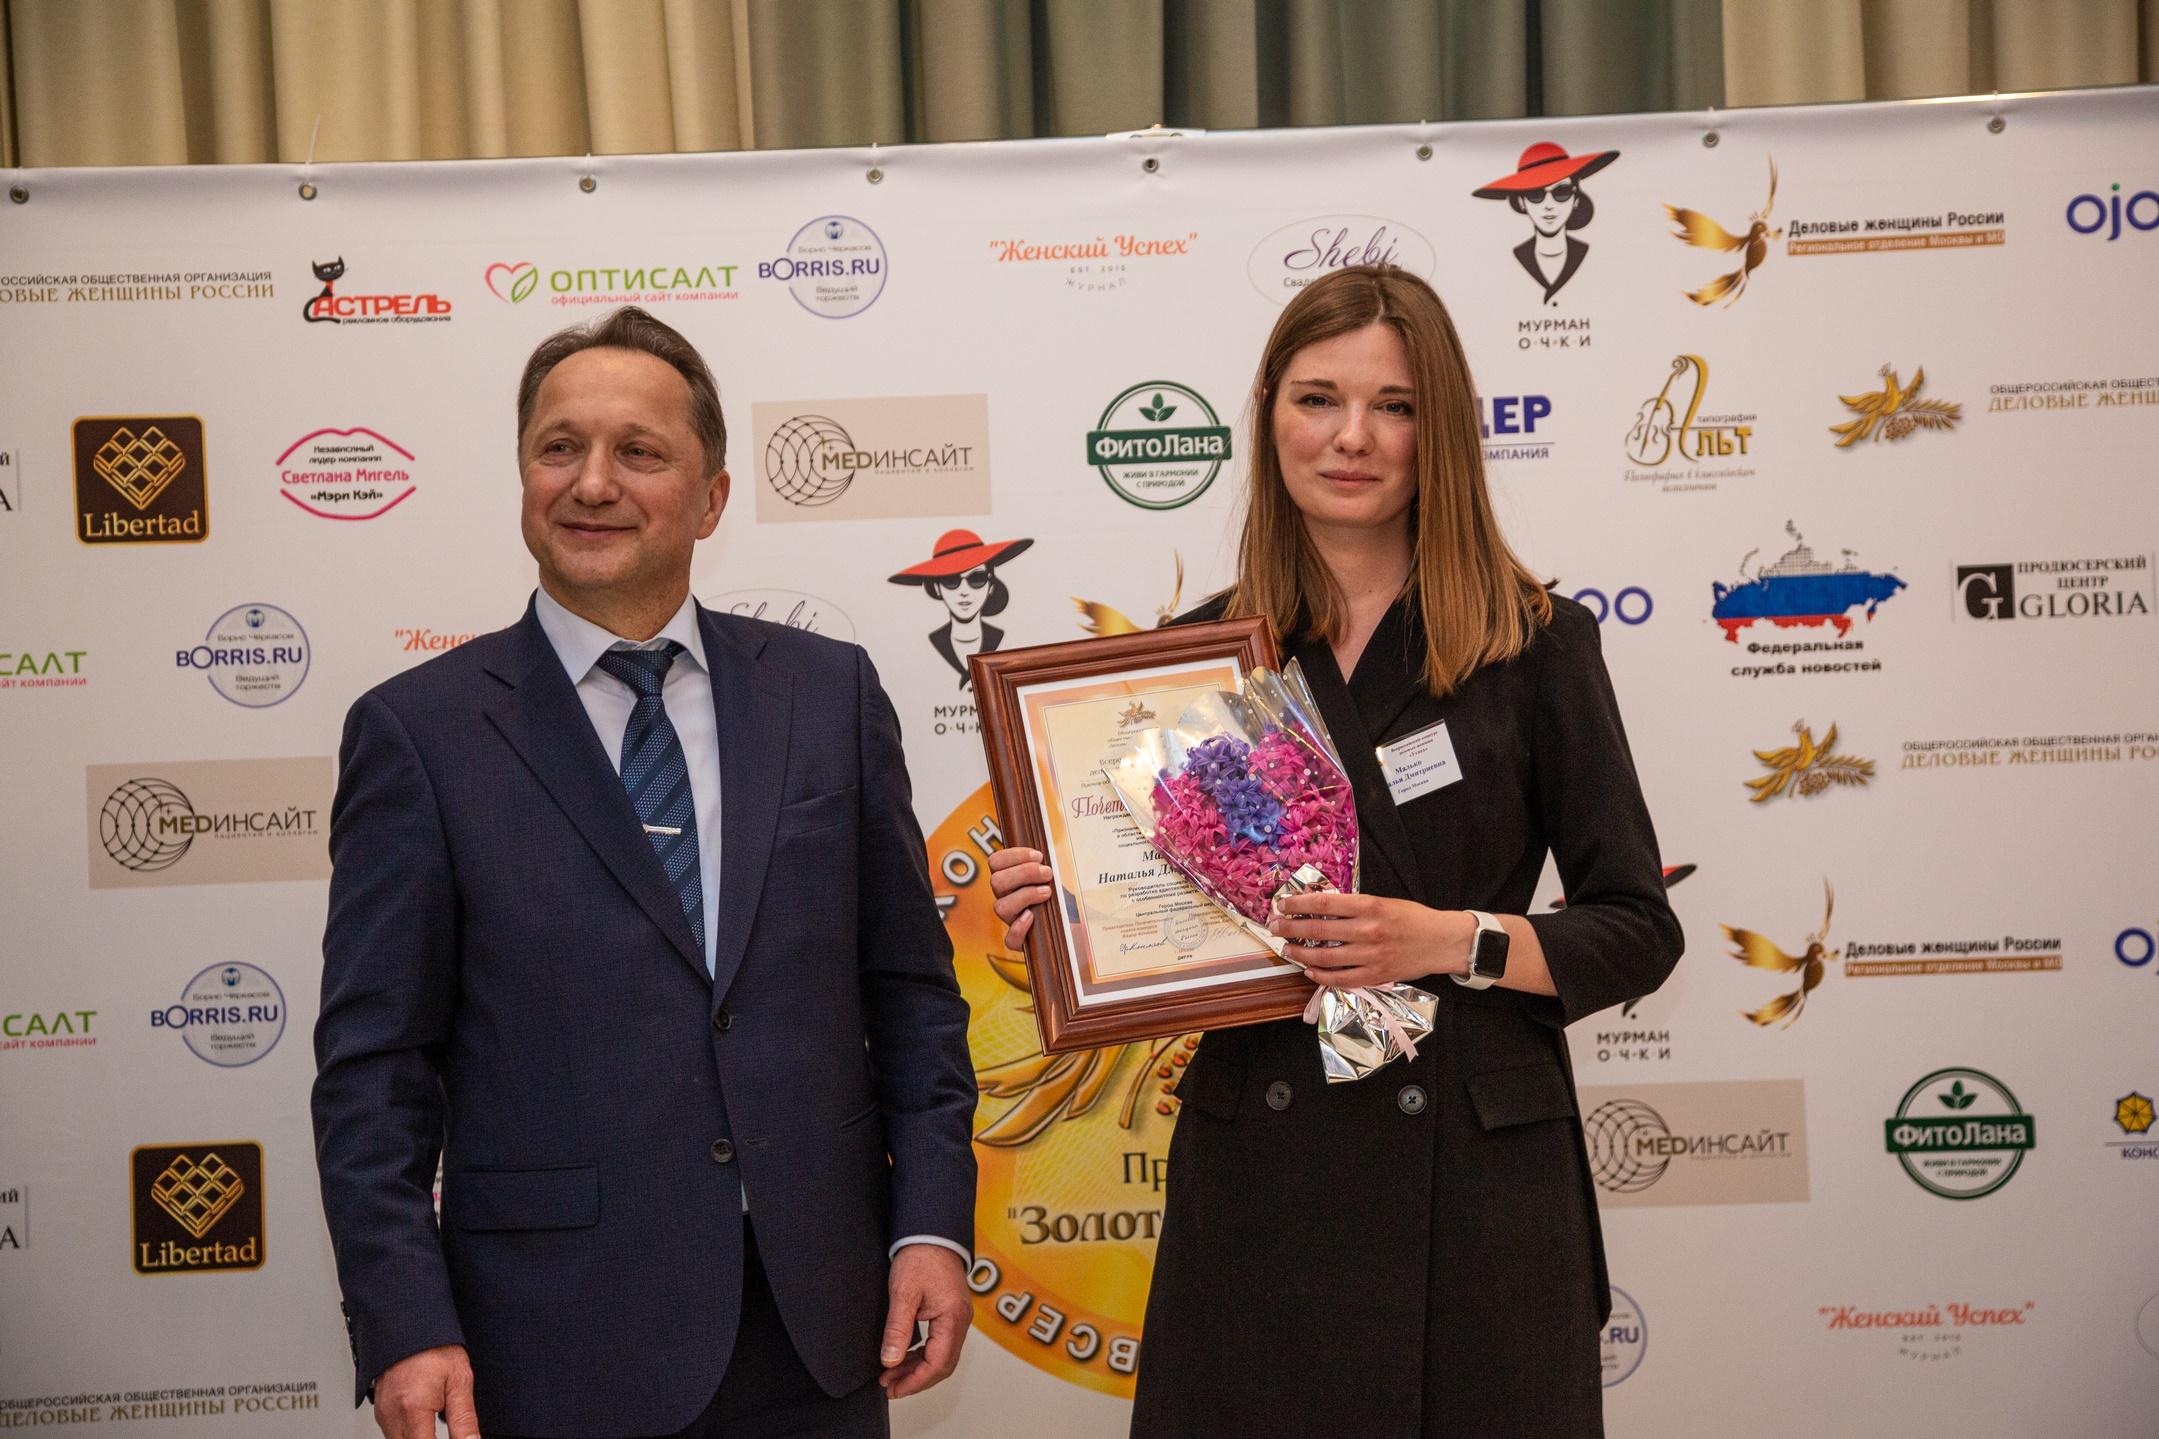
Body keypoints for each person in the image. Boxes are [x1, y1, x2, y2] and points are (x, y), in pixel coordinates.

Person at [988, 265, 1681, 1437]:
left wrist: (1446, 940)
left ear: (1438, 429)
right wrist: (1065, 908)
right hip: (1263, 1182)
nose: (1351, 436)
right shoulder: (1193, 660)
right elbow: (1161, 927)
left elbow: (1635, 928)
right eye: (1317, 398)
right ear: (1268, 415)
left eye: (1392, 405)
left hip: (1474, 1186)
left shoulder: (1534, 642)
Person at [312, 307, 977, 1439]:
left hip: (817, 1326)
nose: (592, 483)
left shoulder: (829, 695)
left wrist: (930, 1225)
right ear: (522, 477)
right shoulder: (419, 733)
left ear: (711, 496)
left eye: (639, 451)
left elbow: (910, 995)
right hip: (550, 1341)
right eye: (559, 447)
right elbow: (376, 1069)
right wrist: (404, 1318)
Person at [1472, 141, 1619, 306]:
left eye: (1561, 192)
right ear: (1521, 202)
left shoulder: (1595, 255)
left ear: (1576, 198)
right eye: (1535, 194)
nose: (1549, 205)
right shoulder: (1509, 259)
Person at [886, 527, 1034, 689]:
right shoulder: (929, 644)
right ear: (937, 588)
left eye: (977, 578)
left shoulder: (1002, 637)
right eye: (951, 580)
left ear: (990, 585)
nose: (964, 591)